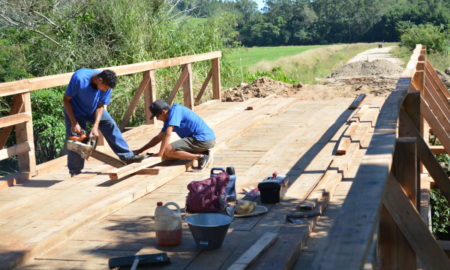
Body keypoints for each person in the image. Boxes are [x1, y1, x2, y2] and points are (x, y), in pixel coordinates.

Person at [63, 68, 145, 177]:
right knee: (76, 140)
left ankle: (127, 156)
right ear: (99, 80)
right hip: (75, 111)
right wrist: (74, 122)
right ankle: (75, 172)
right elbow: (66, 100)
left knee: (109, 124)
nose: (106, 90)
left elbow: (101, 105)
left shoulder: (107, 85)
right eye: (105, 88)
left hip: (93, 109)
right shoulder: (80, 79)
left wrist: (95, 126)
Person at [133, 100, 215, 170]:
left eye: (157, 116)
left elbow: (168, 134)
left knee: (167, 150)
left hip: (203, 139)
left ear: (163, 112)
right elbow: (158, 138)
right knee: (167, 155)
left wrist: (160, 153)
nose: (157, 119)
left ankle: (200, 157)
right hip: (202, 140)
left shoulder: (175, 110)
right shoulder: (168, 119)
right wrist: (140, 150)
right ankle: (203, 152)